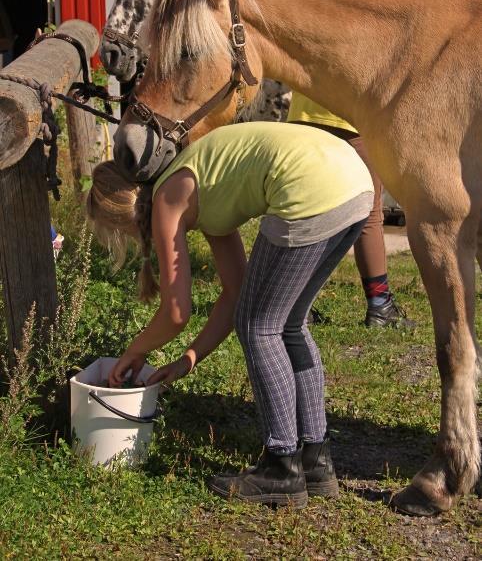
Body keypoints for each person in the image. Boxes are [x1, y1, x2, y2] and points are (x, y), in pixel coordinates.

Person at [87, 122, 374, 508]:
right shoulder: (199, 184)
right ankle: (314, 461)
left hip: (310, 186)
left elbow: (176, 312)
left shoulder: (169, 199)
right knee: (287, 324)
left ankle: (281, 467)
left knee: (260, 327)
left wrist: (134, 352)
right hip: (353, 179)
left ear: (124, 214)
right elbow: (235, 293)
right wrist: (188, 360)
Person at [288, 94, 414, 329]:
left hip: (303, 116)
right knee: (369, 212)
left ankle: (294, 305)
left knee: (305, 208)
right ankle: (380, 305)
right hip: (353, 116)